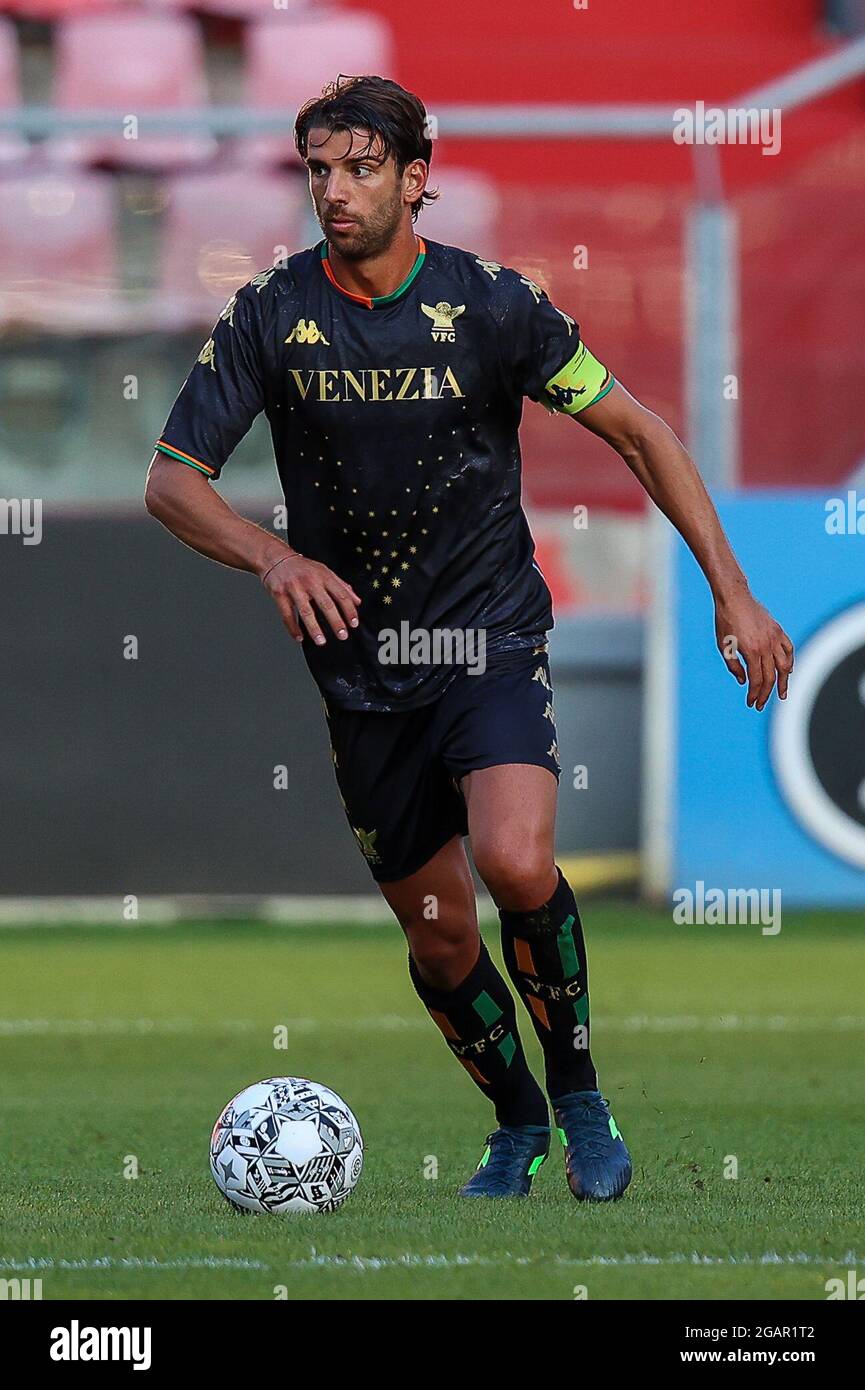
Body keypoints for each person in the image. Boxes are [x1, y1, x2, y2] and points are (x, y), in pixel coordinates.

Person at [145, 74, 794, 1201]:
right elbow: (170, 482)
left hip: (486, 637)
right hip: (361, 669)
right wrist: (275, 556)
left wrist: (730, 592)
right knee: (442, 938)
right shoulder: (268, 312)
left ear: (416, 180)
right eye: (318, 171)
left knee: (513, 857)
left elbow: (640, 434)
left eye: (359, 169)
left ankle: (581, 1093)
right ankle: (516, 1120)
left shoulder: (496, 305)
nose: (334, 193)